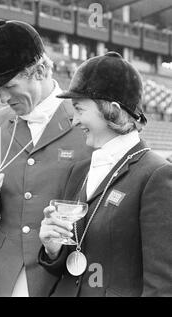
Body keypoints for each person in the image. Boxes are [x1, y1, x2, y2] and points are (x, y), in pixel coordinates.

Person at [0, 19, 91, 297]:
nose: (2, 98)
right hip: (4, 275)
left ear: (40, 71)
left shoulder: (85, 119)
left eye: (10, 86)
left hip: (63, 275)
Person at [38, 51, 172, 296]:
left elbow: (162, 286)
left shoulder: (157, 174)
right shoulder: (79, 170)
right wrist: (53, 248)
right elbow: (72, 262)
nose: (74, 121)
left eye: (79, 109)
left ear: (111, 110)